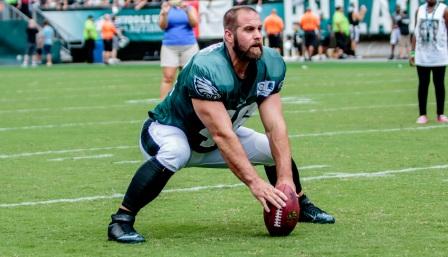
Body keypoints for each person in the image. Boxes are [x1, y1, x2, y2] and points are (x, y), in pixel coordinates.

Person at [107, 5, 335, 244]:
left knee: (272, 151)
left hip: (214, 140)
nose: (258, 35)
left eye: (259, 28)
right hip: (169, 131)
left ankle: (300, 202)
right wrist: (255, 183)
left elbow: (275, 126)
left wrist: (285, 179)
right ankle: (121, 221)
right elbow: (222, 135)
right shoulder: (207, 67)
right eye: (248, 30)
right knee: (177, 152)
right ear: (229, 35)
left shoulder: (271, 63)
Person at [410, 0, 448, 124]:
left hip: (439, 54)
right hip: (422, 55)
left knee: (439, 84)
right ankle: (422, 114)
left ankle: (440, 114)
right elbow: (415, 32)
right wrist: (413, 52)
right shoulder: (419, 10)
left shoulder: (444, 9)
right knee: (423, 84)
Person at [158, 0, 199, 99]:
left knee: (189, 78)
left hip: (189, 46)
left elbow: (194, 24)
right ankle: (163, 108)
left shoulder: (190, 7)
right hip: (169, 46)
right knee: (168, 77)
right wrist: (164, 13)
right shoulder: (166, 8)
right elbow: (162, 26)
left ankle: (189, 105)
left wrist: (187, 11)